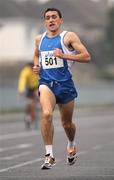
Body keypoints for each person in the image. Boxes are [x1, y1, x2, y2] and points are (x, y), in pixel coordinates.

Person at [33, 8, 91, 169]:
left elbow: (86, 56)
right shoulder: (39, 39)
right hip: (46, 83)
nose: (51, 20)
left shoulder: (68, 37)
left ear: (60, 20)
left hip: (65, 85)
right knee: (46, 114)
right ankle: (49, 155)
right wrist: (36, 65)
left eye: (54, 17)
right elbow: (37, 54)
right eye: (47, 18)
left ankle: (71, 143)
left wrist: (64, 55)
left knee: (66, 123)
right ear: (45, 21)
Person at [18, 62, 39, 129]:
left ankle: (35, 114)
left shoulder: (37, 69)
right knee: (29, 103)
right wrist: (21, 89)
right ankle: (28, 115)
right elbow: (22, 80)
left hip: (37, 87)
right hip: (30, 89)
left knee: (38, 98)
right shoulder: (26, 71)